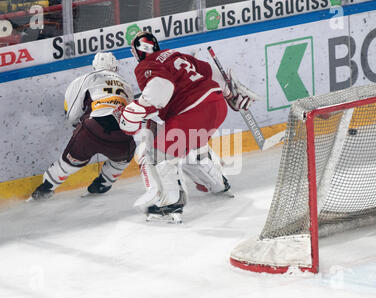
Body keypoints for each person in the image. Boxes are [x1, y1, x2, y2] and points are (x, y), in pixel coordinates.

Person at [112, 31, 255, 224]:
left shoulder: (146, 65)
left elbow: (161, 88)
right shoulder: (174, 55)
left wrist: (132, 112)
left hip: (192, 110)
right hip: (216, 103)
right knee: (190, 149)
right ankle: (219, 184)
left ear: (139, 50)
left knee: (155, 155)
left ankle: (170, 204)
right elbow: (209, 71)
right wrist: (230, 94)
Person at [30, 52, 136, 201]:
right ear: (115, 67)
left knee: (67, 165)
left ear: (94, 66)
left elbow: (72, 113)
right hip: (121, 137)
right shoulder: (127, 85)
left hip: (91, 130)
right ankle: (102, 185)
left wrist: (79, 127)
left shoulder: (87, 78)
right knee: (122, 159)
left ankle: (43, 190)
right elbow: (133, 116)